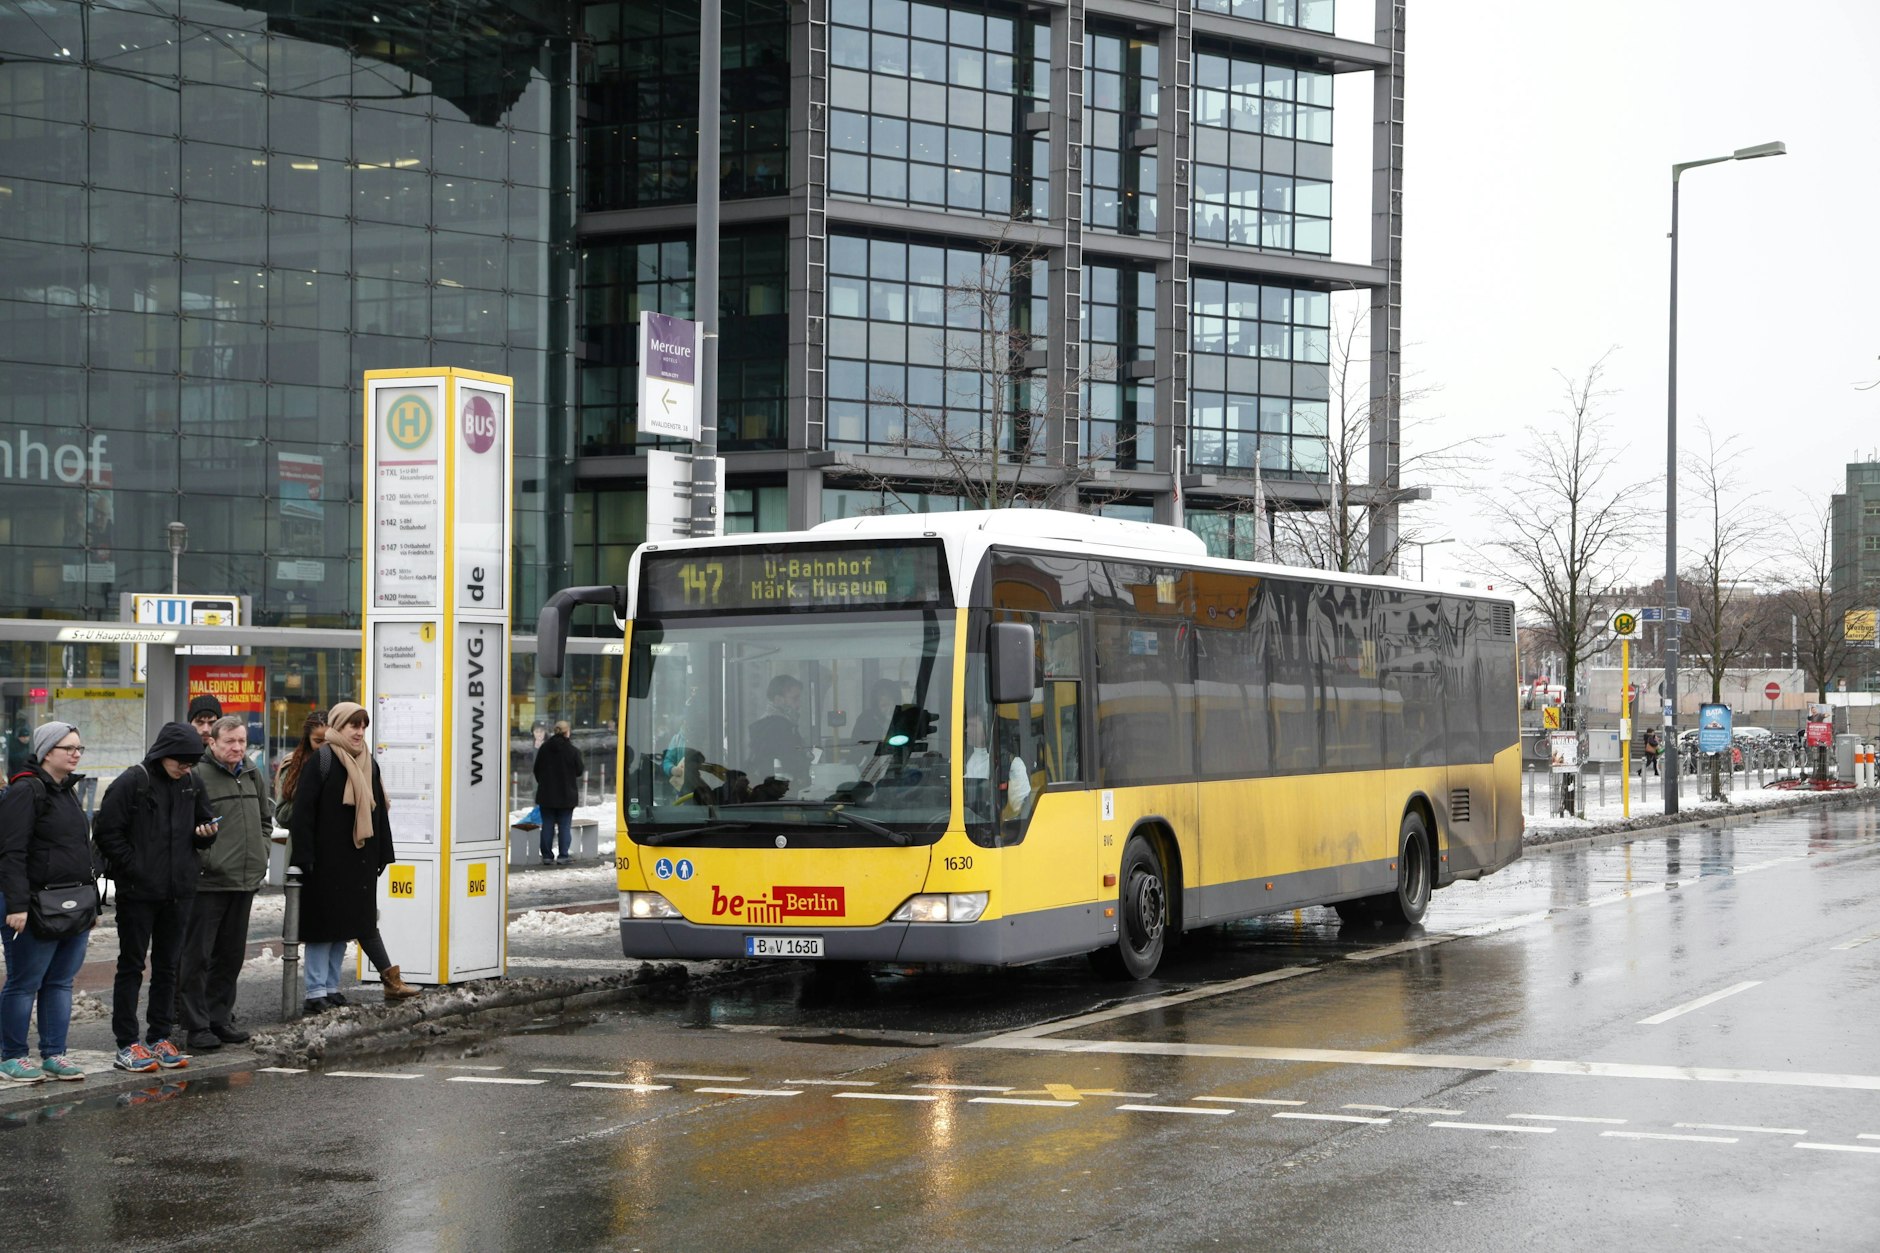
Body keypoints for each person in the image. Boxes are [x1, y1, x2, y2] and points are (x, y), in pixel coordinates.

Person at [93, 721, 218, 1074]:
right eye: (181, 761)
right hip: (138, 893)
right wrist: (136, 868)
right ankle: (127, 1042)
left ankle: (160, 1035)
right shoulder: (133, 782)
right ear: (164, 754)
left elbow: (203, 826)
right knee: (131, 966)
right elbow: (106, 833)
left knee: (168, 966)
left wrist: (207, 834)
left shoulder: (192, 783)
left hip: (179, 891)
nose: (186, 768)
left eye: (191, 763)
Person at [288, 701, 419, 1011]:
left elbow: (378, 813)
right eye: (353, 726)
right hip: (324, 861)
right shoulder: (322, 759)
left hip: (357, 859)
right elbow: (303, 812)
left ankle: (331, 987)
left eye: (363, 726)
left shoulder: (368, 763)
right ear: (338, 726)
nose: (359, 732)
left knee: (343, 927)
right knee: (322, 928)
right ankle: (315, 992)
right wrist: (304, 856)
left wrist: (383, 854)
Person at [0, 722, 98, 1083]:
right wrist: (16, 905)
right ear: (46, 752)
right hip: (33, 905)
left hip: (72, 901)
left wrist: (91, 905)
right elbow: (11, 853)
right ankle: (12, 1056)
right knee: (25, 982)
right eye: (67, 748)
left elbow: (77, 850)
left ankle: (55, 1053)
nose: (75, 753)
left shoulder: (67, 791)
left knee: (60, 982)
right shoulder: (26, 791)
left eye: (78, 748)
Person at [179, 715, 273, 1052]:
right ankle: (196, 1025)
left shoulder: (251, 773)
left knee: (230, 957)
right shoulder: (196, 776)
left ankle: (219, 1018)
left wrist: (262, 853)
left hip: (244, 880)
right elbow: (183, 829)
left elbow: (265, 820)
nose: (237, 748)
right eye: (229, 742)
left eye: (242, 742)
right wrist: (206, 858)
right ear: (212, 743)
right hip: (208, 883)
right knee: (197, 957)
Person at [531, 720, 585, 865]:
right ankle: (563, 856)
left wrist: (544, 783)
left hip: (546, 795)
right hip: (567, 795)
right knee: (564, 826)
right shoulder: (573, 751)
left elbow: (537, 769)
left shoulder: (544, 748)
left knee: (547, 825)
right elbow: (579, 771)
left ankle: (547, 856)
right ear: (567, 732)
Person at [747, 674, 812, 789]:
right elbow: (791, 763)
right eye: (795, 699)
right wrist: (808, 759)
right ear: (778, 700)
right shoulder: (779, 727)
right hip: (782, 792)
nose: (799, 704)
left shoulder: (766, 725)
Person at [964, 710, 1031, 818]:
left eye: (973, 725)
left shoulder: (1013, 764)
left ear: (987, 728)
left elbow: (1020, 808)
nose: (967, 730)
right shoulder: (966, 760)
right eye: (967, 725)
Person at [275, 709, 327, 832]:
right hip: (303, 843)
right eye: (318, 741)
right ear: (308, 739)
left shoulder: (344, 763)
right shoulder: (294, 765)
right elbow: (282, 816)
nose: (324, 746)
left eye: (329, 740)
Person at [850, 680, 903, 763]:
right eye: (884, 705)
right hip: (873, 769)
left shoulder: (905, 718)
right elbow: (855, 754)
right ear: (876, 705)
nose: (889, 709)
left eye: (892, 704)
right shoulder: (866, 720)